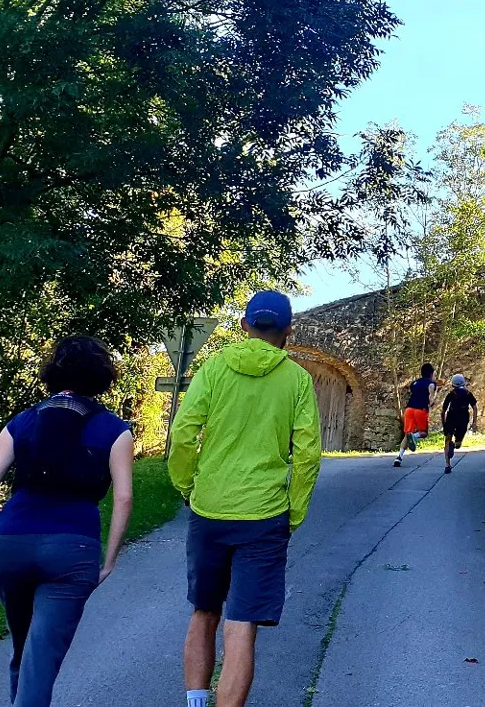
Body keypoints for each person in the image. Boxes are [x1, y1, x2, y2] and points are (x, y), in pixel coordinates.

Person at [167, 290, 320, 707]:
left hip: (209, 507)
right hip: (265, 514)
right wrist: (295, 511)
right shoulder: (297, 380)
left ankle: (197, 702)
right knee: (241, 624)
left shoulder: (214, 369)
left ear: (243, 326)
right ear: (289, 331)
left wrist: (186, 485)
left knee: (203, 612)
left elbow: (183, 434)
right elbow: (307, 454)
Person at [0, 336, 136, 707]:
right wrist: (109, 561)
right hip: (72, 549)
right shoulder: (116, 431)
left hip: (10, 544)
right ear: (101, 378)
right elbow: (124, 498)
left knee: (24, 650)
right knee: (41, 659)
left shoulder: (23, 421)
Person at [395, 363, 437, 467]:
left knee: (407, 434)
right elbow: (430, 399)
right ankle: (413, 436)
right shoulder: (431, 384)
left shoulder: (414, 383)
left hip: (409, 410)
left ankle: (399, 457)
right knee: (423, 433)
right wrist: (432, 403)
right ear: (431, 374)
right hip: (420, 410)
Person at [441, 373, 478, 475]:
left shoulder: (451, 394)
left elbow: (443, 410)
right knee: (458, 444)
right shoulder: (468, 394)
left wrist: (443, 423)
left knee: (447, 440)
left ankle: (447, 465)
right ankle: (455, 445)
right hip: (463, 418)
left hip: (451, 417)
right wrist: (474, 422)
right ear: (463, 383)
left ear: (453, 384)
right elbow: (474, 407)